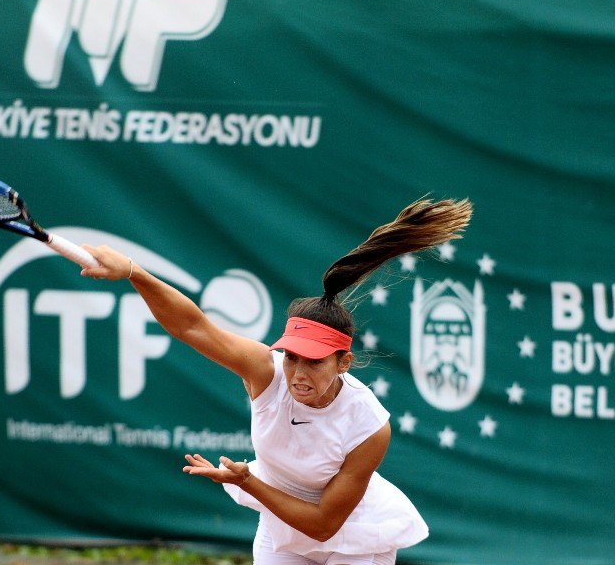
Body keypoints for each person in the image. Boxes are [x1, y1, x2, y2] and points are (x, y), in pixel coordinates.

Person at [80, 197, 472, 565]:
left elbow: (323, 524)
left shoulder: (369, 425)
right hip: (281, 526)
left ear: (344, 363)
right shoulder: (266, 370)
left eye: (315, 362)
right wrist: (134, 272)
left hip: (356, 536)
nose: (298, 373)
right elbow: (190, 326)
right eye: (292, 357)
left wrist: (248, 482)